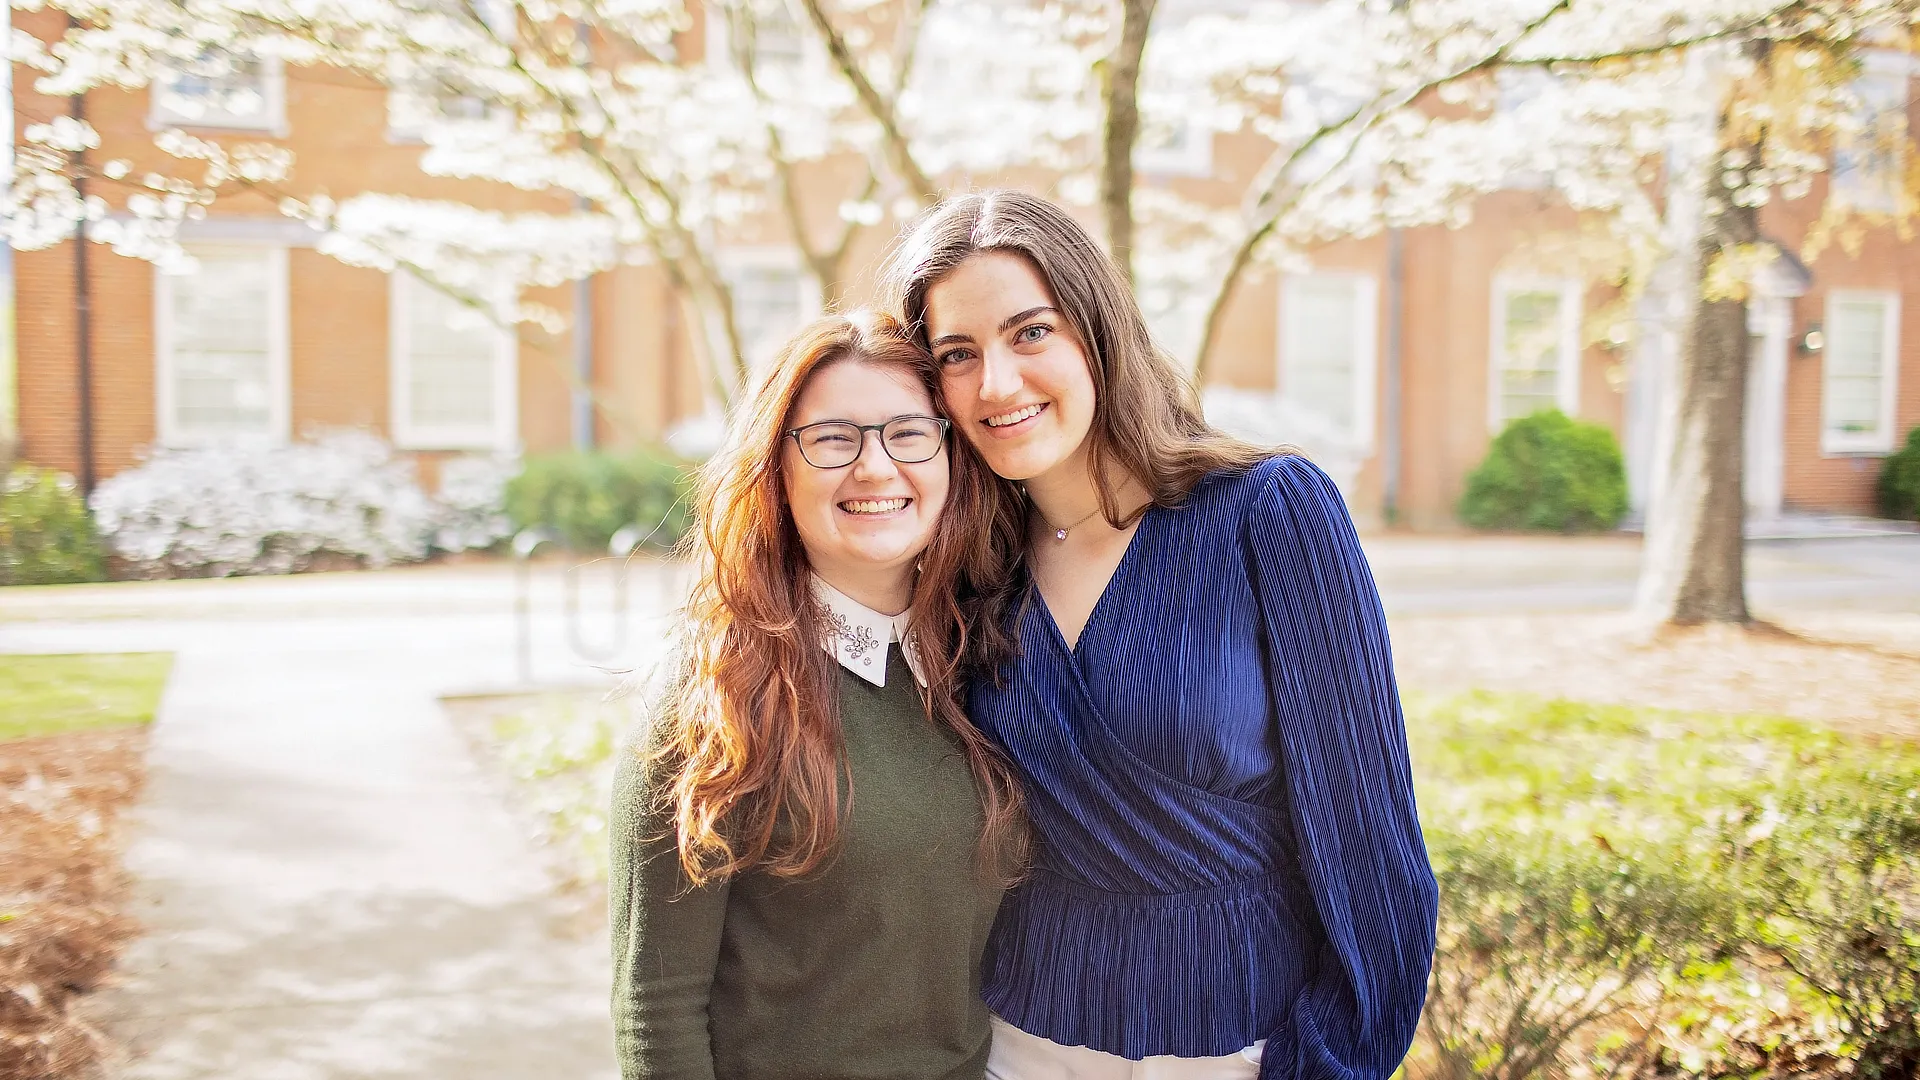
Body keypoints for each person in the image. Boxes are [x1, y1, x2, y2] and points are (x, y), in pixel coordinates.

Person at [885, 190, 1439, 1080]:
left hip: (1240, 1049)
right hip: (1024, 1047)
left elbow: (1373, 847)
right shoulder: (968, 571)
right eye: (959, 353)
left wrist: (1326, 1064)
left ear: (1097, 332)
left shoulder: (1270, 513)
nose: (996, 382)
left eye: (1032, 332)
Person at [609, 311, 1026, 1080]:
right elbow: (657, 1010)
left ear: (949, 456)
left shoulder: (988, 662)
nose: (875, 468)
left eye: (907, 433)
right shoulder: (716, 696)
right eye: (834, 439)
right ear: (778, 466)